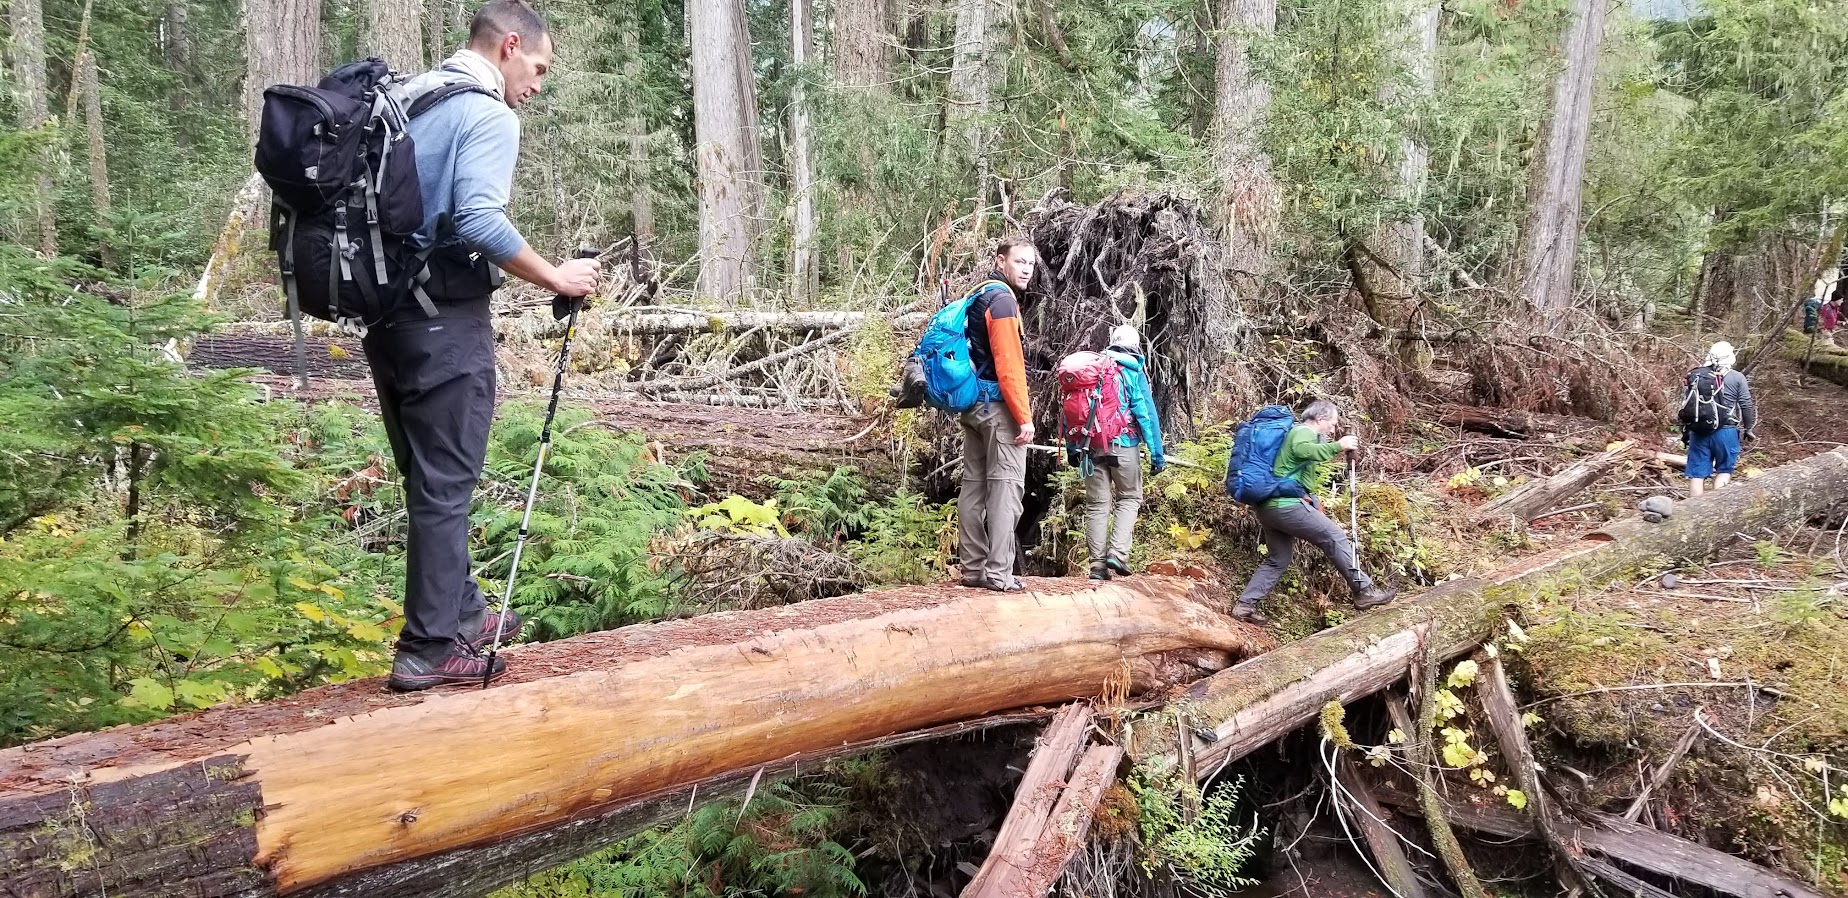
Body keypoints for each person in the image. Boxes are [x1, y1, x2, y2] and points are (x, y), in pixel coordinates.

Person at [373, 0, 602, 691]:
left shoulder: (407, 98)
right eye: (539, 67)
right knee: (446, 484)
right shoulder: (486, 113)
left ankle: (463, 612)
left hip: (386, 320)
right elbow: (477, 217)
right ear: (509, 46)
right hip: (443, 321)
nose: (537, 85)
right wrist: (555, 276)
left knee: (427, 478)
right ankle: (428, 648)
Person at [1231, 399, 1396, 625]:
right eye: (1333, 423)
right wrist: (1339, 446)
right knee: (1334, 537)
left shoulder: (1302, 435)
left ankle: (1245, 606)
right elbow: (1303, 450)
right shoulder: (1303, 432)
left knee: (1278, 559)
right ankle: (1364, 591)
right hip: (1285, 506)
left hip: (1269, 508)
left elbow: (1300, 464)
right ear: (1320, 419)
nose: (1333, 429)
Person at [958, 236, 1036, 592]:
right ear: (1000, 261)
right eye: (1019, 262)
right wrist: (1024, 416)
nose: (1026, 270)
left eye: (1030, 264)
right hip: (998, 409)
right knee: (1006, 488)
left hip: (973, 405)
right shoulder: (1003, 302)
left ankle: (973, 568)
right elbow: (1009, 365)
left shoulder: (979, 294)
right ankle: (999, 572)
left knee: (974, 486)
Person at [1083, 324, 1165, 580]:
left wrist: (1075, 449)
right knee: (1129, 497)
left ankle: (1097, 566)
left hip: (1091, 446)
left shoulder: (1092, 368)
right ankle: (1117, 554)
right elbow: (1146, 414)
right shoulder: (1132, 371)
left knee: (1097, 505)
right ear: (1136, 346)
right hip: (1123, 444)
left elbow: (1077, 412)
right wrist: (1157, 454)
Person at [1680, 340, 1756, 499]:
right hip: (1726, 431)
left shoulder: (1696, 375)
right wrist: (1748, 428)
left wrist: (1685, 431)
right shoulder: (1737, 377)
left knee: (1697, 474)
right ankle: (1718, 507)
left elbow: (1686, 404)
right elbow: (1746, 404)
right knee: (1724, 471)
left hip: (1699, 431)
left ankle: (1695, 509)